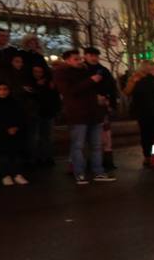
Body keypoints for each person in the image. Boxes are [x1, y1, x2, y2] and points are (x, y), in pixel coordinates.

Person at [54, 48, 113, 184]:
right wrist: (91, 81)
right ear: (67, 60)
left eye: (79, 58)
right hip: (78, 114)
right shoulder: (61, 73)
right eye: (76, 59)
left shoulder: (85, 70)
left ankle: (98, 171)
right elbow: (69, 91)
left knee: (96, 145)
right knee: (78, 145)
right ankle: (79, 172)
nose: (80, 61)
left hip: (93, 112)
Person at [0, 80, 28, 185]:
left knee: (16, 155)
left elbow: (21, 116)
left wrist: (16, 127)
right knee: (3, 156)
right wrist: (5, 128)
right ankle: (5, 175)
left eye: (5, 89)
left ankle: (17, 174)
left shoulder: (14, 102)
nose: (2, 92)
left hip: (15, 132)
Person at [82, 47, 119, 169]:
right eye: (91, 55)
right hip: (88, 108)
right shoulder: (82, 70)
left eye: (95, 56)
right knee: (89, 136)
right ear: (86, 56)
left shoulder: (103, 71)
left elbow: (111, 88)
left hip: (103, 107)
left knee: (105, 136)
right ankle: (91, 161)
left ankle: (107, 161)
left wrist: (110, 102)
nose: (94, 58)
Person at [25, 62, 60, 167]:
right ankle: (33, 158)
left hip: (47, 112)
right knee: (34, 137)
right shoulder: (29, 82)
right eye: (36, 71)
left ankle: (46, 157)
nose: (38, 74)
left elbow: (54, 98)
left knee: (46, 137)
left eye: (40, 72)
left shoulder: (49, 83)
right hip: (34, 112)